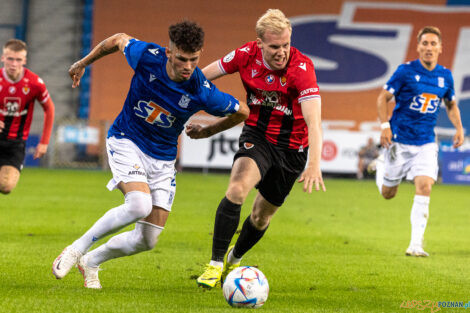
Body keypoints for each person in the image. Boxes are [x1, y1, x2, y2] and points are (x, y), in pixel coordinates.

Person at [52, 21, 249, 289]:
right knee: (139, 205)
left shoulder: (201, 90)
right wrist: (83, 62)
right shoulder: (147, 57)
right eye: (182, 58)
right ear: (169, 53)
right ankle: (76, 248)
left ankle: (91, 261)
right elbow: (118, 39)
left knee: (147, 240)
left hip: (163, 159)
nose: (188, 66)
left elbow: (242, 112)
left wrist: (208, 132)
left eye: (194, 59)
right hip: (126, 140)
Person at [190, 9, 325, 289]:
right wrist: (179, 93)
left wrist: (314, 164)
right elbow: (202, 78)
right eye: (275, 46)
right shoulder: (245, 55)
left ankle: (234, 257)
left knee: (261, 216)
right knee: (238, 188)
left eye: (286, 45)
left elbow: (314, 122)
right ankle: (214, 265)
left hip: (293, 150)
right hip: (258, 136)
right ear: (260, 42)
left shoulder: (302, 69)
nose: (282, 52)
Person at [375, 26, 464, 257]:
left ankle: (415, 244)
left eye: (433, 43)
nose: (429, 47)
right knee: (388, 193)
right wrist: (385, 126)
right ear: (418, 47)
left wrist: (459, 128)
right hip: (399, 141)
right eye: (425, 43)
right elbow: (382, 98)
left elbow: (451, 103)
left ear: (440, 48)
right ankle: (381, 164)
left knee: (425, 185)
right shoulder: (405, 71)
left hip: (425, 142)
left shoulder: (445, 75)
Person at [0, 39, 55, 194]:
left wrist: (44, 142)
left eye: (18, 60)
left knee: (6, 187)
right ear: (3, 58)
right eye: (10, 58)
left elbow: (49, 109)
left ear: (24, 60)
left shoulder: (34, 83)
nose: (14, 64)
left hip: (15, 143)